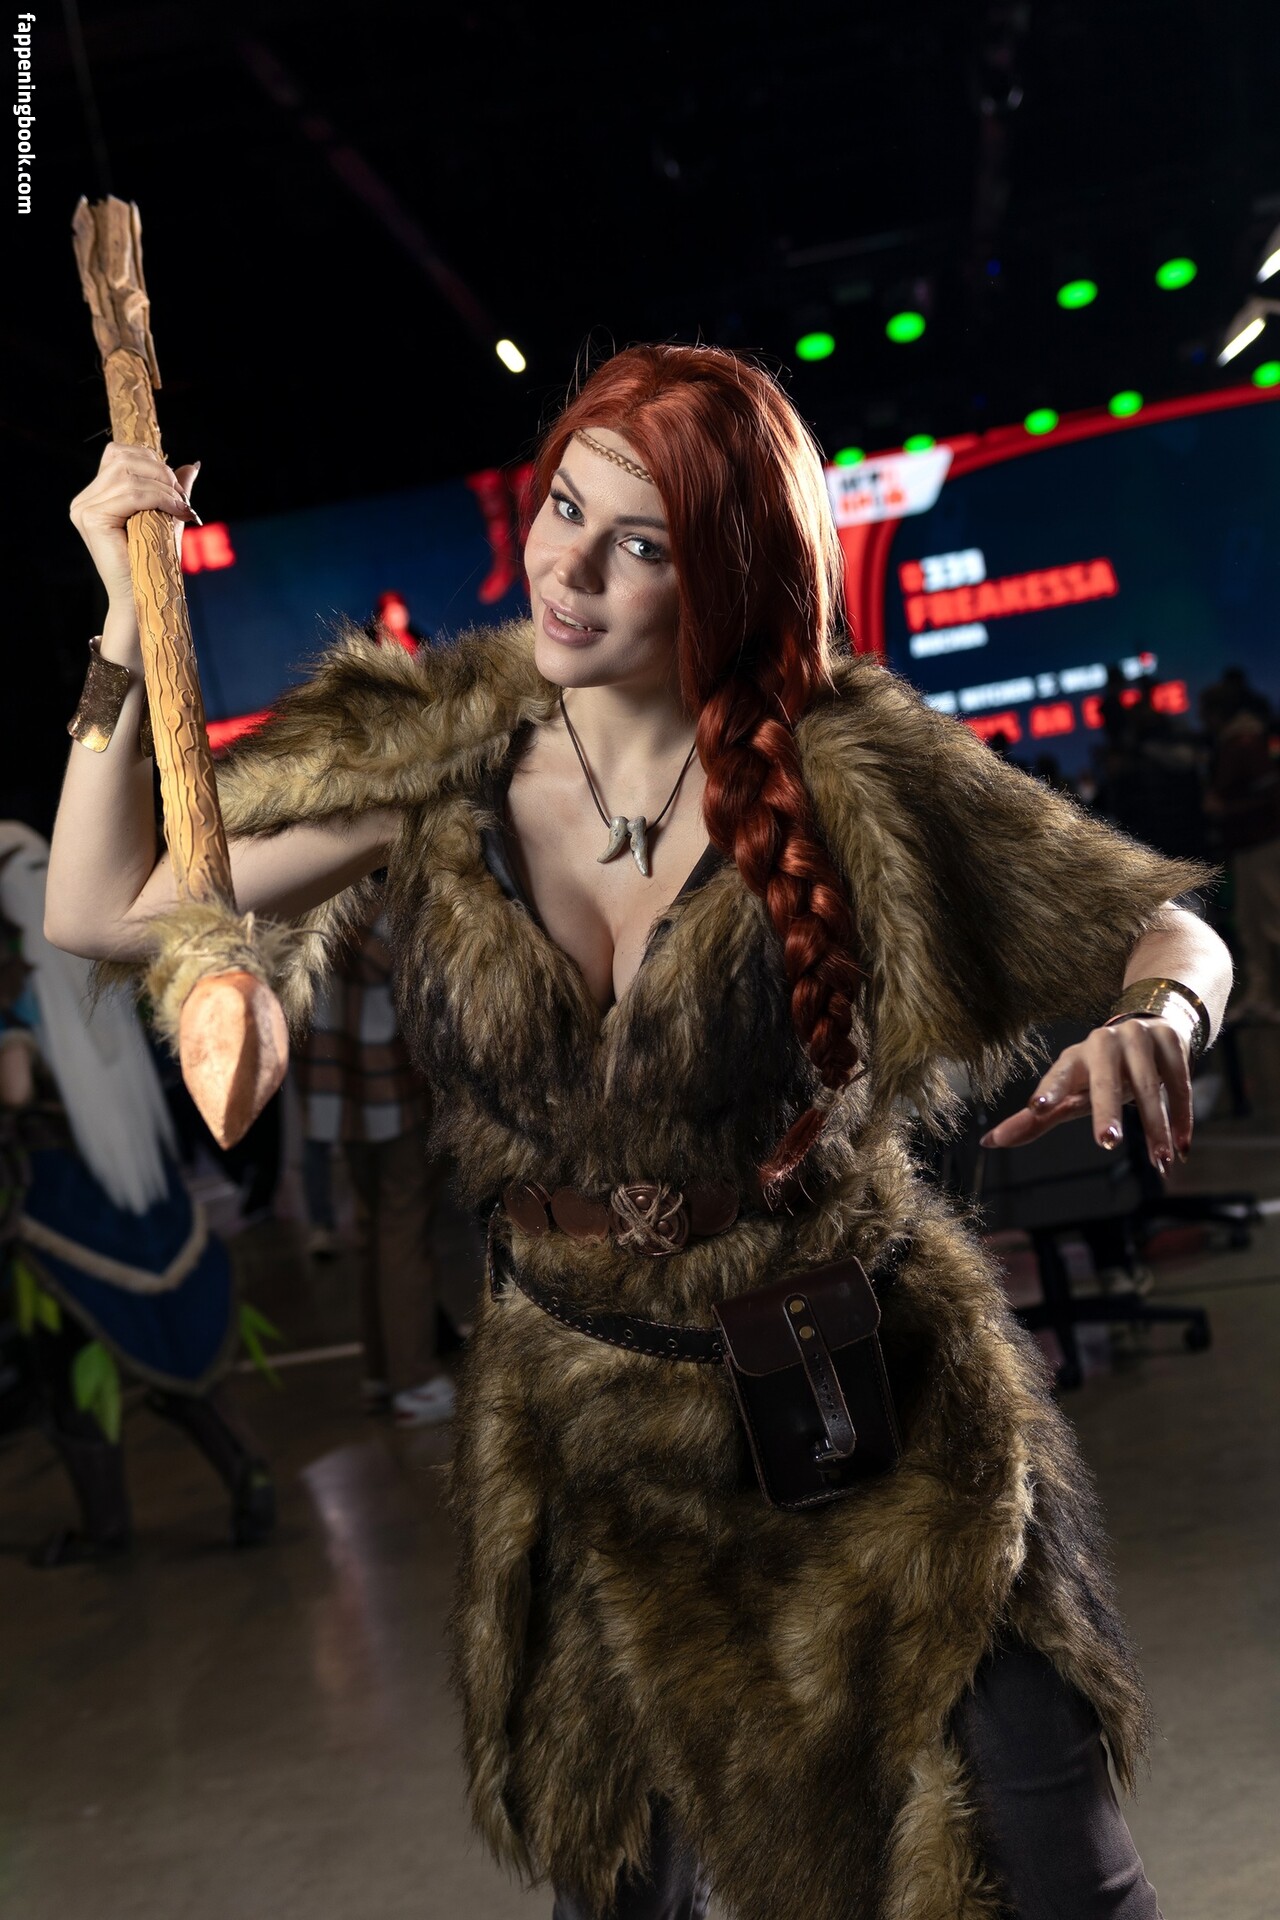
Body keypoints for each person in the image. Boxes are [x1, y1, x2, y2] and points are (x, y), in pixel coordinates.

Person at [48, 346, 1232, 1920]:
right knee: (616, 1891)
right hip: (584, 1416)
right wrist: (121, 629)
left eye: (642, 543)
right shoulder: (434, 758)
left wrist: (1160, 1018)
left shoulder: (848, 765)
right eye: (563, 511)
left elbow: (1168, 926)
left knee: (1055, 1868)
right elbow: (96, 908)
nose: (572, 570)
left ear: (726, 574)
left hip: (862, 1392)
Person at [0, 824, 274, 1564]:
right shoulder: (90, 972)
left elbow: (15, 1088)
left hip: (60, 1202)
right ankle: (245, 1471)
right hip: (142, 1192)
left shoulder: (15, 987)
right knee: (170, 1345)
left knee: (70, 1369)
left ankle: (106, 1527)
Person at [293, 894, 455, 1424]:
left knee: (375, 1231)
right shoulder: (386, 919)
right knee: (404, 1233)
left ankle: (382, 1374)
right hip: (394, 1096)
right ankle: (414, 1380)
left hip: (337, 1098)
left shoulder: (312, 911)